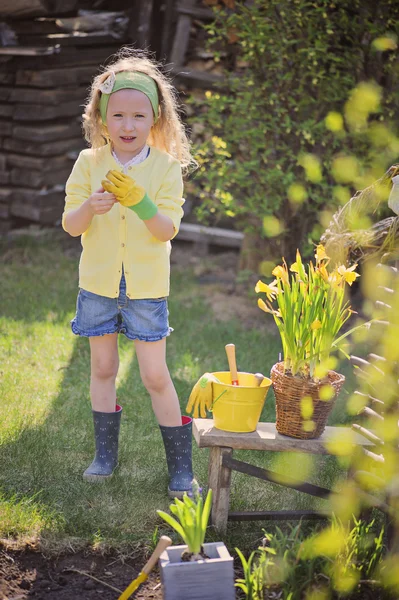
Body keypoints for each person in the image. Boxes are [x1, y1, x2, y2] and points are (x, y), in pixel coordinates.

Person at [62, 48, 196, 498]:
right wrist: (90, 207)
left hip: (145, 288)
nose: (127, 125)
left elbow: (165, 230)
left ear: (154, 120)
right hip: (98, 284)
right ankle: (104, 457)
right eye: (117, 115)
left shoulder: (165, 169)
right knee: (102, 366)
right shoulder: (89, 163)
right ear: (102, 118)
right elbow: (70, 224)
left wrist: (140, 201)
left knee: (155, 376)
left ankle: (181, 469)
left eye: (138, 116)